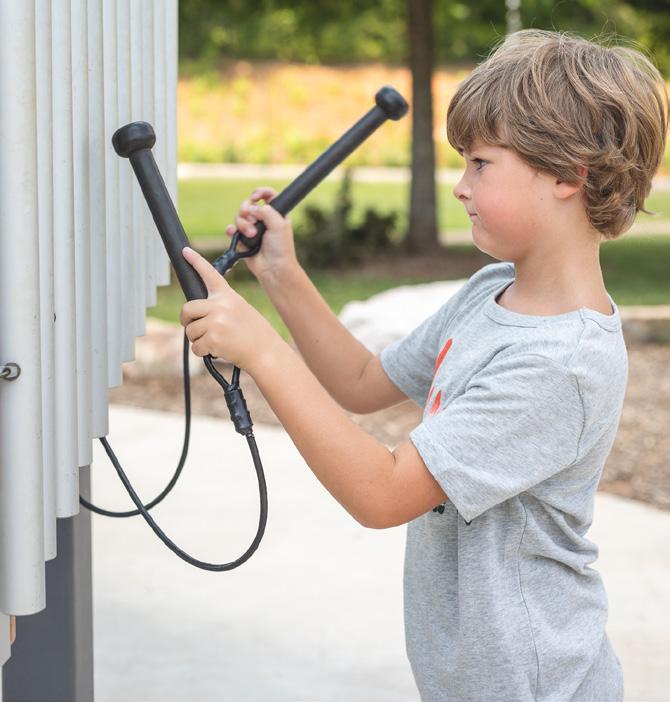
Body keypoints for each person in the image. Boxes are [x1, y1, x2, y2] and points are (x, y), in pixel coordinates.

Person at [179, 29, 668, 702]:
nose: (461, 187)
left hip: (536, 686)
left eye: (481, 164)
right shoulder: (491, 291)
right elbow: (360, 382)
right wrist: (281, 273)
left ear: (567, 175)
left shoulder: (563, 365)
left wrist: (261, 350)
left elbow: (382, 494)